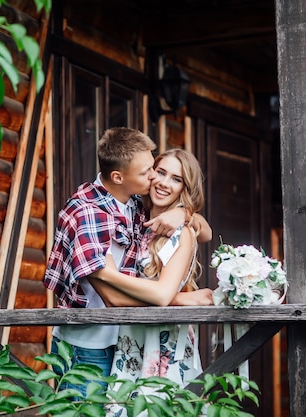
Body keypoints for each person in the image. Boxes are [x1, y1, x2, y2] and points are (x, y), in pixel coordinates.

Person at [43, 127, 212, 398]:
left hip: (128, 345)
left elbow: (205, 231)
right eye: (151, 171)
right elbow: (112, 299)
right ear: (119, 176)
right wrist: (179, 299)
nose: (156, 178)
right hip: (89, 348)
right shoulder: (89, 214)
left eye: (170, 176)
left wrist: (184, 213)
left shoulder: (133, 207)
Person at [89, 149, 207, 416]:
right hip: (131, 338)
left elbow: (164, 295)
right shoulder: (136, 218)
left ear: (184, 189)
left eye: (176, 179)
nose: (165, 183)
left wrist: (186, 215)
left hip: (165, 343)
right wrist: (183, 298)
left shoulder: (182, 232)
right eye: (161, 172)